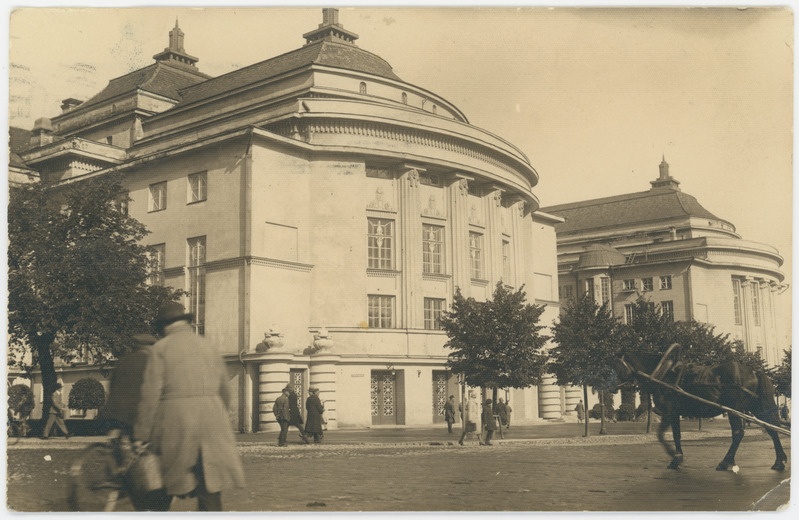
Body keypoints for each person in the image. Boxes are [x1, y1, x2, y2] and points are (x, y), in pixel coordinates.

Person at [134, 302, 245, 511]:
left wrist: (142, 433)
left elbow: (150, 395)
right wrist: (218, 415)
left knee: (165, 481)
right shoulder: (208, 346)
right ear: (186, 322)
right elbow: (225, 390)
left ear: (163, 326)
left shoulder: (160, 348)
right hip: (212, 418)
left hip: (176, 419)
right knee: (210, 484)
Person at [99, 333, 166, 511]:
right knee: (143, 451)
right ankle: (133, 484)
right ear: (150, 347)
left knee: (117, 445)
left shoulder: (122, 361)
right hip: (133, 414)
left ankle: (114, 473)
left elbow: (111, 386)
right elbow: (153, 392)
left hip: (113, 413)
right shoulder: (152, 363)